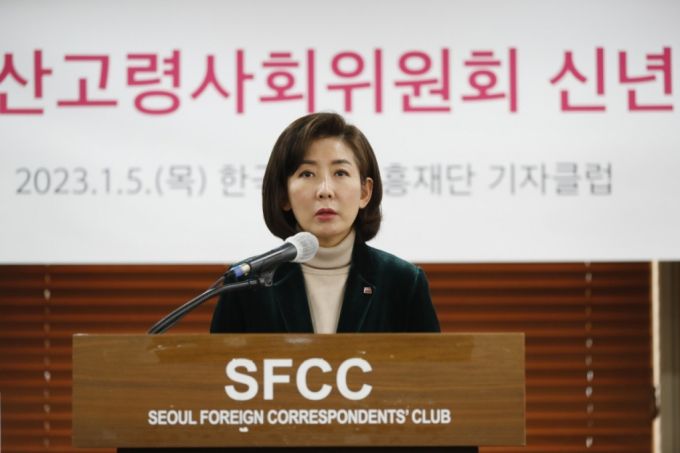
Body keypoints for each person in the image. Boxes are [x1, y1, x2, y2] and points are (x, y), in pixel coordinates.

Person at [210, 112, 440, 333]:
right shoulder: (245, 284)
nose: (325, 190)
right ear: (283, 195)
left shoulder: (403, 283)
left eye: (340, 173)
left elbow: (430, 361)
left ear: (364, 192)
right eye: (307, 174)